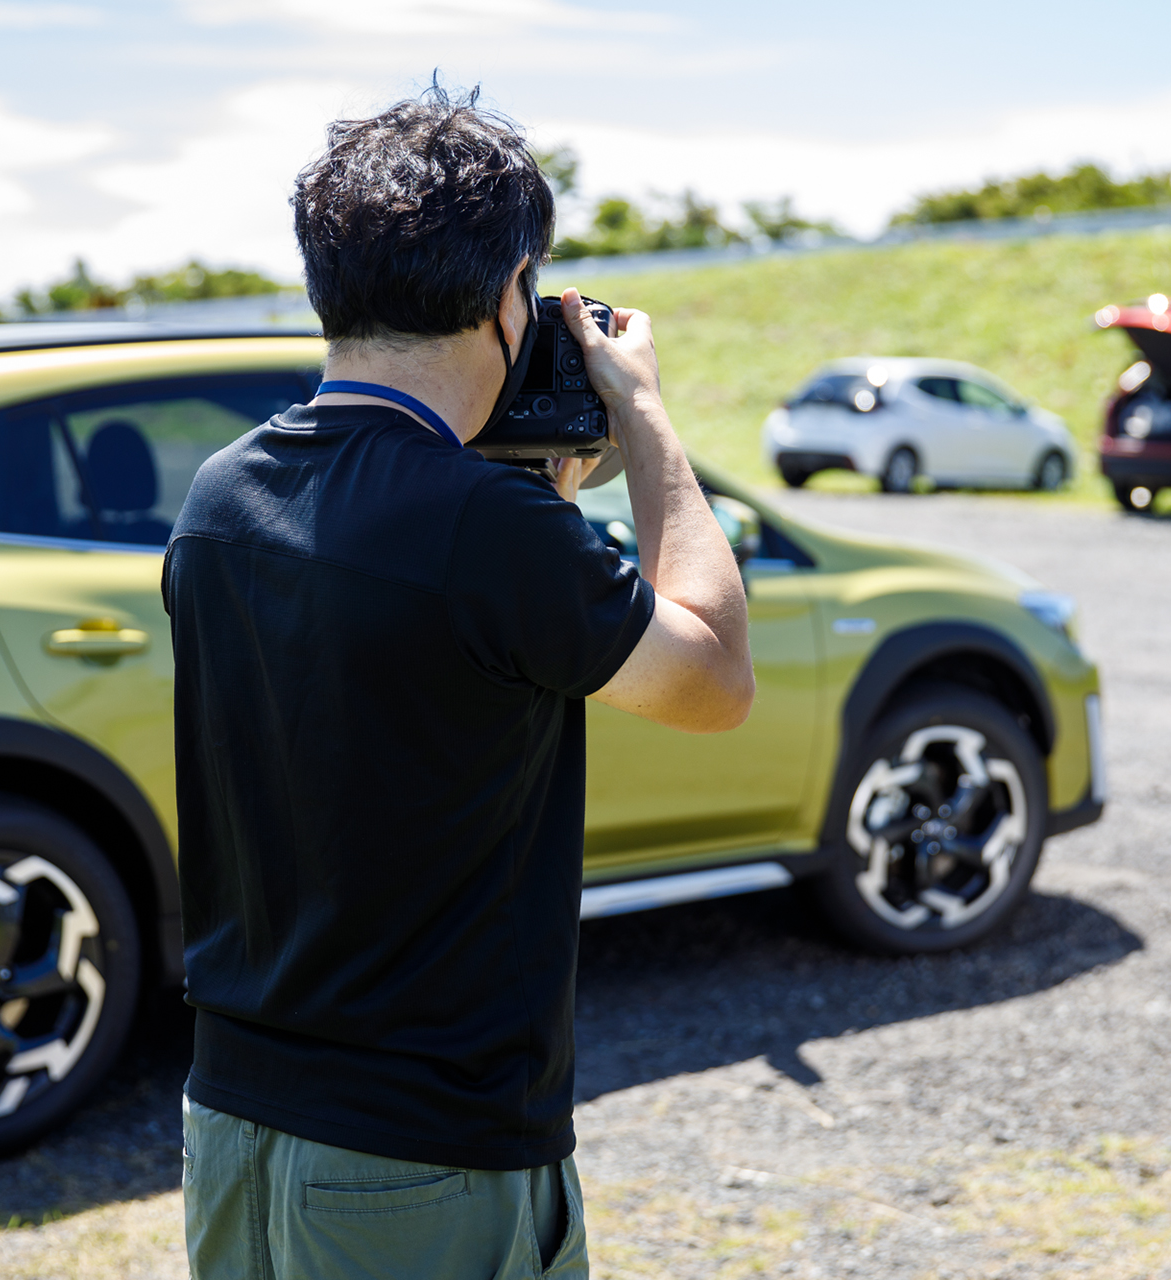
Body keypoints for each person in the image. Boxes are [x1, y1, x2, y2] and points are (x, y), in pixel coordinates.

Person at [166, 83, 755, 1280]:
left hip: (233, 1118)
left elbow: (412, 654)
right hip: (423, 1152)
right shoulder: (484, 534)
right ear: (507, 294)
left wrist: (533, 498)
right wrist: (643, 414)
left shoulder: (223, 492)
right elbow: (715, 677)